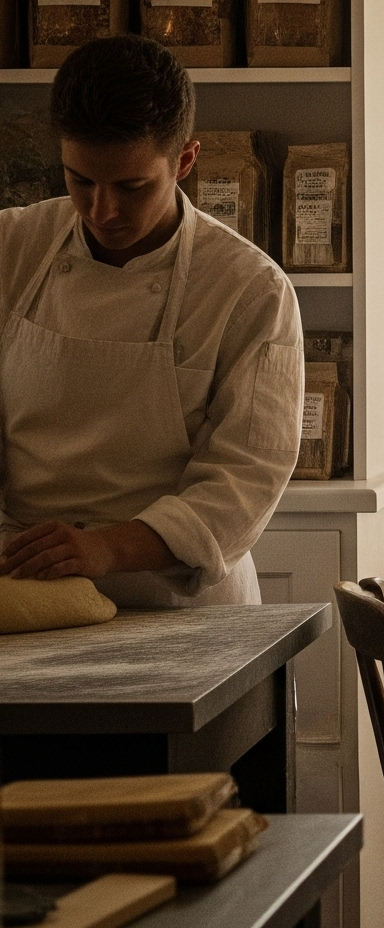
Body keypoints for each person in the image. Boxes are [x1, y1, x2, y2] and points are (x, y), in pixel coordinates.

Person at [0, 36, 303, 606]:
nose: (101, 211)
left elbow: (247, 475)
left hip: (178, 600)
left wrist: (108, 548)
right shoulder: (10, 249)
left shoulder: (249, 288)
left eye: (130, 186)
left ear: (186, 160)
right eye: (80, 181)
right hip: (24, 586)